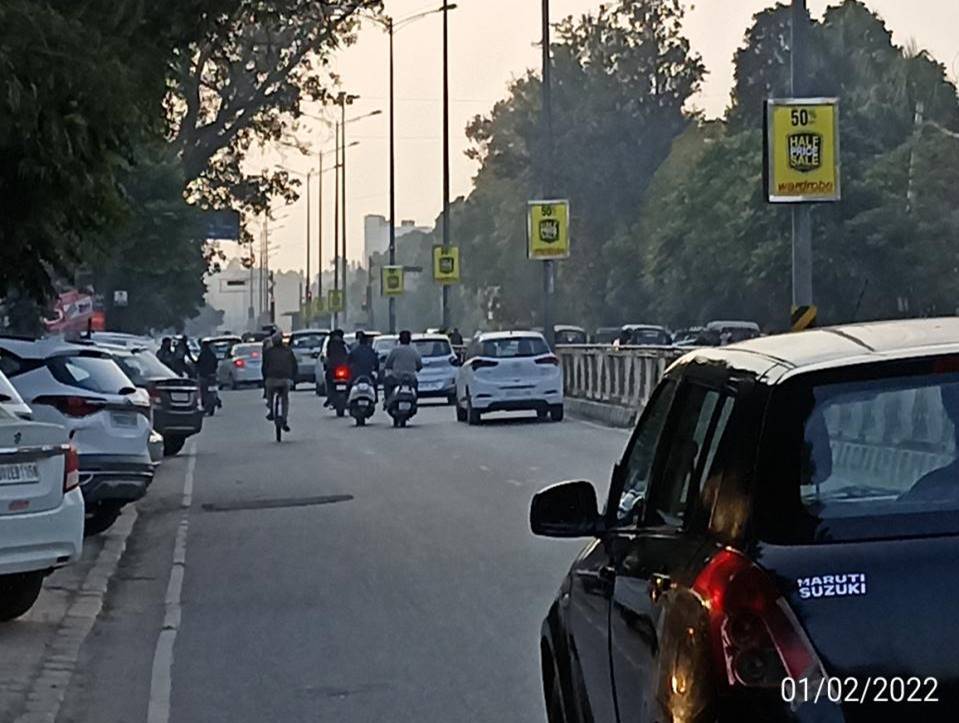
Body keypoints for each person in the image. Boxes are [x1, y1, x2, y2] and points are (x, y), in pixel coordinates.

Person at [262, 332, 296, 431]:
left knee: (269, 393)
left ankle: (271, 410)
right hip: (286, 380)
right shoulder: (288, 351)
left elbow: (264, 367)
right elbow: (294, 366)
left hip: (272, 379)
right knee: (285, 398)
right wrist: (293, 378)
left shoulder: (268, 352)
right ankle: (284, 419)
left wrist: (265, 379)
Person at [383, 330, 422, 404]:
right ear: (410, 340)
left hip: (397, 378)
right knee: (415, 384)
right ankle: (414, 401)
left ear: (399, 340)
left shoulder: (395, 351)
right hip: (411, 378)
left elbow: (387, 364)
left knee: (386, 382)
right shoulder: (414, 351)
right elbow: (419, 365)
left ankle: (387, 401)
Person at [348, 331, 380, 398]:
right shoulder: (371, 351)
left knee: (348, 385)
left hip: (356, 375)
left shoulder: (355, 351)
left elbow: (348, 361)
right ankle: (376, 397)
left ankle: (347, 398)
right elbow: (376, 363)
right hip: (368, 374)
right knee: (375, 384)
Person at [324, 329, 349, 407]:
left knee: (329, 380)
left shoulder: (330, 344)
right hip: (342, 366)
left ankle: (330, 397)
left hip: (333, 367)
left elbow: (328, 355)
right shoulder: (343, 344)